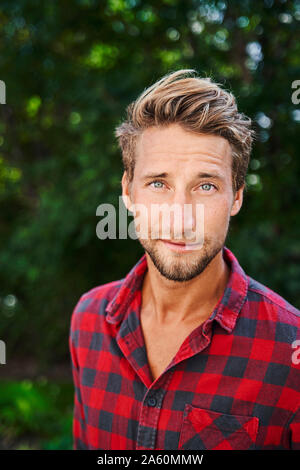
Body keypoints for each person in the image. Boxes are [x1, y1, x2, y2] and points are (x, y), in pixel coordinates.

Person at [69, 69, 300, 450]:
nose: (181, 215)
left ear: (237, 197)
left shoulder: (289, 353)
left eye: (205, 185)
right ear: (128, 192)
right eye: (158, 183)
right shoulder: (88, 320)